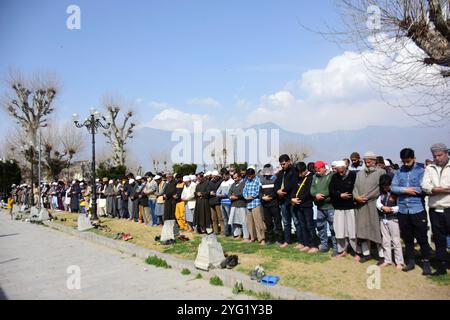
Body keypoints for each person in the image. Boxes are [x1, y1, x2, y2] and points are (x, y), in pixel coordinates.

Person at [391, 148, 432, 275]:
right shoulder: (398, 172)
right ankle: (411, 261)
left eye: (408, 161)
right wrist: (406, 190)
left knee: (422, 238)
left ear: (414, 158)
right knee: (408, 238)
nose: (406, 164)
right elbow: (393, 187)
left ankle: (426, 263)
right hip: (403, 210)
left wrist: (402, 189)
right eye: (404, 162)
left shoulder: (421, 171)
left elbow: (422, 188)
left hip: (417, 209)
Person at [422, 143, 450, 276]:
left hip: (449, 207)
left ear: (446, 153)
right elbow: (425, 186)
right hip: (434, 209)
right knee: (439, 239)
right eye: (434, 156)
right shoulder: (429, 168)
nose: (437, 158)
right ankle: (441, 266)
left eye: (439, 155)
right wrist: (440, 189)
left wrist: (435, 189)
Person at [353, 151, 385, 263]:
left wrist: (365, 197)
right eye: (366, 161)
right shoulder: (360, 174)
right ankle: (366, 254)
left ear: (374, 161)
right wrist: (356, 197)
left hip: (372, 204)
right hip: (360, 206)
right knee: (362, 230)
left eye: (370, 161)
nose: (367, 163)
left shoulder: (381, 172)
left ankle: (381, 256)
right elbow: (355, 187)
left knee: (375, 230)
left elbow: (378, 189)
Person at [329, 160, 357, 257]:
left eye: (342, 171)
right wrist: (340, 195)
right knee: (340, 230)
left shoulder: (353, 175)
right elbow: (331, 191)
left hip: (351, 207)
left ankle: (357, 251)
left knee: (352, 230)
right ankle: (343, 250)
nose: (341, 173)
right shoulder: (334, 177)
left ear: (345, 168)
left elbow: (356, 188)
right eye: (338, 171)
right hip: (339, 207)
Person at [376, 174, 404, 269]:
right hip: (383, 219)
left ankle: (399, 261)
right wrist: (382, 207)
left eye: (387, 185)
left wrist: (391, 209)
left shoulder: (396, 194)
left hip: (393, 219)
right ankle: (387, 260)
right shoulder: (381, 194)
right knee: (385, 241)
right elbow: (378, 203)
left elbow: (400, 206)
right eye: (383, 185)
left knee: (396, 241)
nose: (385, 187)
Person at [311, 161, 337, 255]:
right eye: (316, 170)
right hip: (319, 206)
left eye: (319, 170)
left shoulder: (331, 176)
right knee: (320, 226)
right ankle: (324, 245)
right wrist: (315, 194)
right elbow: (312, 189)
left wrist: (323, 195)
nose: (317, 172)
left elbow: (330, 189)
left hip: (330, 206)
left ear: (323, 168)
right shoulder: (315, 177)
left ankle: (336, 247)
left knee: (333, 227)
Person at [290, 162, 318, 252]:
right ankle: (306, 244)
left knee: (310, 225)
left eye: (300, 172)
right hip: (298, 205)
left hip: (307, 205)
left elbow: (308, 193)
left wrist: (298, 199)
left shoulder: (311, 177)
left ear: (304, 170)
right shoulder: (298, 178)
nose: (299, 174)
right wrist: (292, 198)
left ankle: (314, 245)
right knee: (302, 225)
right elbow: (294, 189)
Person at [274, 154, 299, 248]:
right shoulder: (280, 173)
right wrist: (277, 191)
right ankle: (287, 241)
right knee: (286, 222)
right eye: (281, 164)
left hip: (291, 199)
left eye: (284, 164)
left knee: (296, 221)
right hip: (283, 201)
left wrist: (282, 191)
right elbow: (276, 183)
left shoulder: (294, 171)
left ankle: (301, 241)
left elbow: (292, 184)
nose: (283, 166)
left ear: (289, 162)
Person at [260, 164, 283, 244]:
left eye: (268, 170)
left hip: (274, 204)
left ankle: (279, 239)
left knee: (277, 222)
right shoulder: (262, 179)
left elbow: (276, 191)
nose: (267, 172)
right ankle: (270, 239)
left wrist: (269, 197)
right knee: (268, 223)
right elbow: (259, 191)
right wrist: (262, 197)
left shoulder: (275, 179)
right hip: (265, 205)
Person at [243, 168, 266, 245]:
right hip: (248, 204)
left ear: (253, 174)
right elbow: (244, 190)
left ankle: (262, 238)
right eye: (248, 176)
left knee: (258, 222)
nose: (249, 177)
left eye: (250, 175)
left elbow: (258, 190)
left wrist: (252, 196)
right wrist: (246, 196)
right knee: (250, 222)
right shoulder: (247, 181)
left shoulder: (258, 180)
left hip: (256, 203)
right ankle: (252, 237)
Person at [228, 172, 249, 240]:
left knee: (243, 221)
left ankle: (246, 236)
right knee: (235, 220)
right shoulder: (233, 184)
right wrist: (231, 197)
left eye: (235, 178)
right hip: (234, 204)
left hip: (241, 204)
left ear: (240, 177)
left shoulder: (244, 183)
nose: (234, 179)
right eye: (233, 178)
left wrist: (236, 196)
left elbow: (243, 193)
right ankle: (237, 234)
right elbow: (229, 192)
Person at [216, 169, 235, 236]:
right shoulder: (222, 182)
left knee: (230, 218)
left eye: (224, 176)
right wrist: (220, 194)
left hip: (229, 202)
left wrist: (223, 195)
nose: (223, 177)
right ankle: (227, 232)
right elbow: (218, 191)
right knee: (225, 218)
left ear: (228, 175)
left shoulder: (231, 182)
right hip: (222, 202)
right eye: (222, 176)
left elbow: (229, 192)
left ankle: (233, 232)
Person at [208, 170, 224, 235]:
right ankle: (215, 231)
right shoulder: (210, 182)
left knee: (220, 217)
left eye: (215, 176)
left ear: (218, 176)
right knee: (213, 218)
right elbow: (208, 190)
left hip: (218, 201)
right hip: (211, 201)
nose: (214, 178)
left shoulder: (221, 181)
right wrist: (209, 192)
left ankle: (223, 230)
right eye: (213, 176)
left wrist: (215, 192)